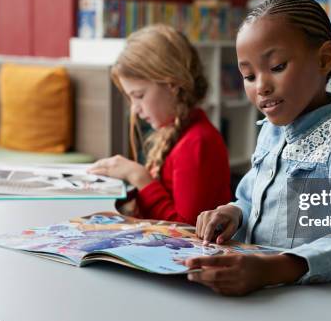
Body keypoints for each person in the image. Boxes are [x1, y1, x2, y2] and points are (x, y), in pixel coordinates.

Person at [185, 0, 331, 295]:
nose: (261, 86)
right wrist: (233, 212)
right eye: (249, 76)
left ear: (324, 59)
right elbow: (251, 201)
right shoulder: (270, 130)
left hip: (308, 299)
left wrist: (272, 269)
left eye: (277, 66)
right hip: (256, 292)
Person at [88, 24, 231, 225]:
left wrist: (139, 177)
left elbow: (187, 231)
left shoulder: (197, 142)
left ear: (172, 84)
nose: (134, 109)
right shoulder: (175, 131)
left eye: (139, 96)